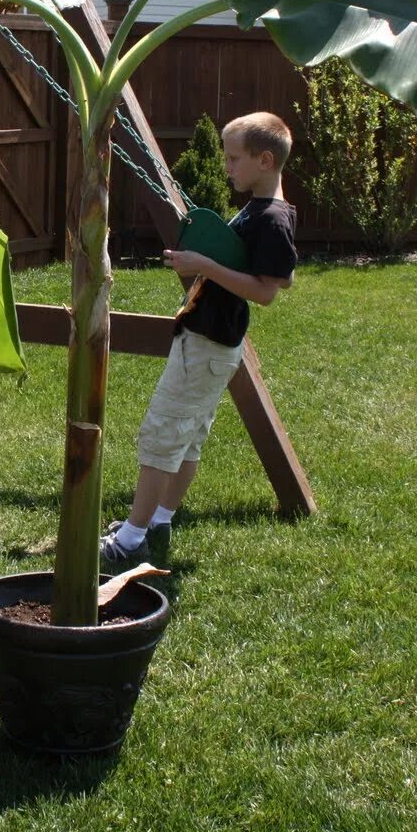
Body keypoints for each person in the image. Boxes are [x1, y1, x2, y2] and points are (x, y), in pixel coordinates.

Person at [100, 112, 299, 569]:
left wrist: (202, 265)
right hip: (211, 341)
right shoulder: (262, 207)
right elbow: (274, 275)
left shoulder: (270, 217)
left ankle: (131, 539)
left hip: (208, 344)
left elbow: (268, 291)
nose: (226, 166)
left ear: (264, 160)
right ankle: (161, 518)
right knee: (187, 438)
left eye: (233, 159)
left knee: (162, 435)